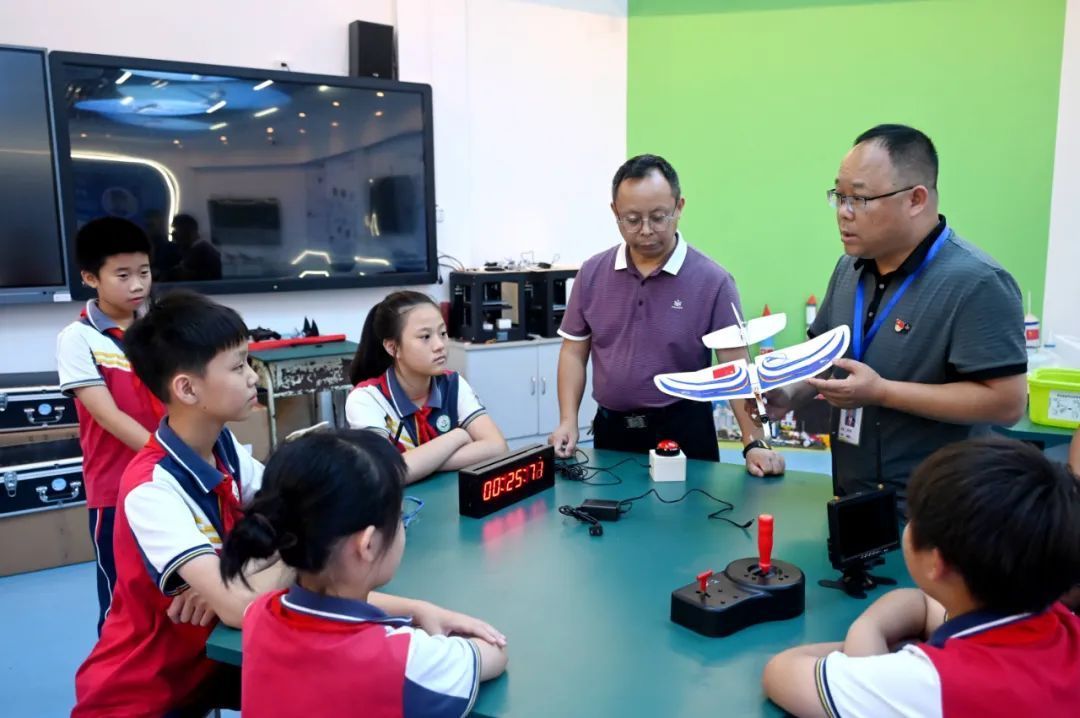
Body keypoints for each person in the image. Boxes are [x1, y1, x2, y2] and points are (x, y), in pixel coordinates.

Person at [753, 125, 1027, 500]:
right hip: (853, 494)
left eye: (860, 199)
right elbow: (825, 358)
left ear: (915, 199)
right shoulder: (849, 269)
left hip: (936, 508)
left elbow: (1007, 403)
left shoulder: (977, 282)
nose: (844, 213)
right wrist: (790, 392)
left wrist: (882, 392)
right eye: (839, 196)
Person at [72, 290, 293, 716]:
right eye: (238, 366)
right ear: (187, 389)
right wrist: (298, 558)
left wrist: (232, 576)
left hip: (205, 663)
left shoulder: (223, 446)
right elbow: (238, 608)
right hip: (142, 694)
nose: (253, 377)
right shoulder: (152, 488)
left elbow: (297, 510)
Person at [763, 437, 1080, 717]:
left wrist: (873, 657)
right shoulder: (1058, 621)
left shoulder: (928, 683)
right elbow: (923, 605)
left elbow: (782, 672)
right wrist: (869, 628)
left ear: (937, 562)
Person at [221, 429, 509, 716]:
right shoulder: (406, 660)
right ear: (368, 544)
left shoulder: (258, 614)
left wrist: (418, 609)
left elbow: (330, 601)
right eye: (399, 517)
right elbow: (494, 653)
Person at [548, 154, 784, 475]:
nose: (646, 230)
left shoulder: (713, 281)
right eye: (632, 219)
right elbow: (573, 352)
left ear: (679, 207)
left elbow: (736, 368)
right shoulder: (592, 273)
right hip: (612, 433)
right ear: (615, 212)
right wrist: (568, 420)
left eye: (659, 217)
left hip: (684, 432)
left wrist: (754, 442)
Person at [55, 217, 164, 634]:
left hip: (169, 478)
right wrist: (170, 455)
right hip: (115, 487)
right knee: (121, 599)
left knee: (177, 589)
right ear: (90, 278)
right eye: (123, 275)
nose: (138, 285)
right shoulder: (77, 338)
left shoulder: (162, 328)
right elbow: (107, 415)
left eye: (144, 272)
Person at [346, 291, 509, 482]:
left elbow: (497, 447)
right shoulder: (367, 398)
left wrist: (421, 465)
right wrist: (458, 436)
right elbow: (381, 471)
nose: (440, 345)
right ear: (392, 347)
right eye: (425, 337)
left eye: (443, 333)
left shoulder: (453, 384)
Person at [163, 213, 222, 281]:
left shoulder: (202, 251)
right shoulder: (198, 249)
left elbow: (188, 275)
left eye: (177, 230)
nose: (174, 234)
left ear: (187, 231)